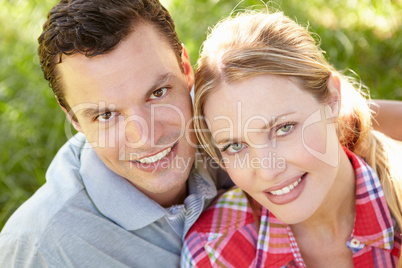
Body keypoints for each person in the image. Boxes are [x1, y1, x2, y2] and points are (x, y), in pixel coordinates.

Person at [0, 1, 400, 267]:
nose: (145, 136)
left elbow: (304, 108)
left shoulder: (218, 118)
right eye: (106, 115)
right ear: (73, 119)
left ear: (185, 69)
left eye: (157, 93)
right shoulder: (42, 247)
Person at [182, 10, 402, 267]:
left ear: (332, 99)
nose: (267, 170)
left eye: (284, 128)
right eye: (235, 145)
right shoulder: (214, 252)